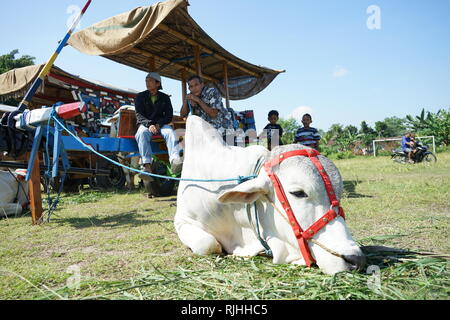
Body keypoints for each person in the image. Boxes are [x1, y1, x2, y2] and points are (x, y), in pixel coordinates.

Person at [135, 72, 183, 180]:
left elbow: (169, 115)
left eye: (150, 81)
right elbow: (139, 115)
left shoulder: (165, 97)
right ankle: (146, 166)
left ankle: (174, 161)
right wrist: (149, 124)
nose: (147, 83)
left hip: (161, 125)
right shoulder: (140, 97)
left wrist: (158, 124)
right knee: (141, 133)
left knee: (170, 132)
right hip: (145, 125)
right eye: (146, 81)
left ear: (157, 83)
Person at [180, 75, 234, 139]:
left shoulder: (212, 92)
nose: (194, 88)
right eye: (191, 86)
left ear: (202, 84)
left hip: (224, 131)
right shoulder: (191, 97)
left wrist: (198, 100)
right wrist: (186, 100)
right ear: (189, 89)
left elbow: (213, 114)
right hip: (207, 134)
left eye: (196, 85)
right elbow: (182, 115)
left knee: (229, 149)